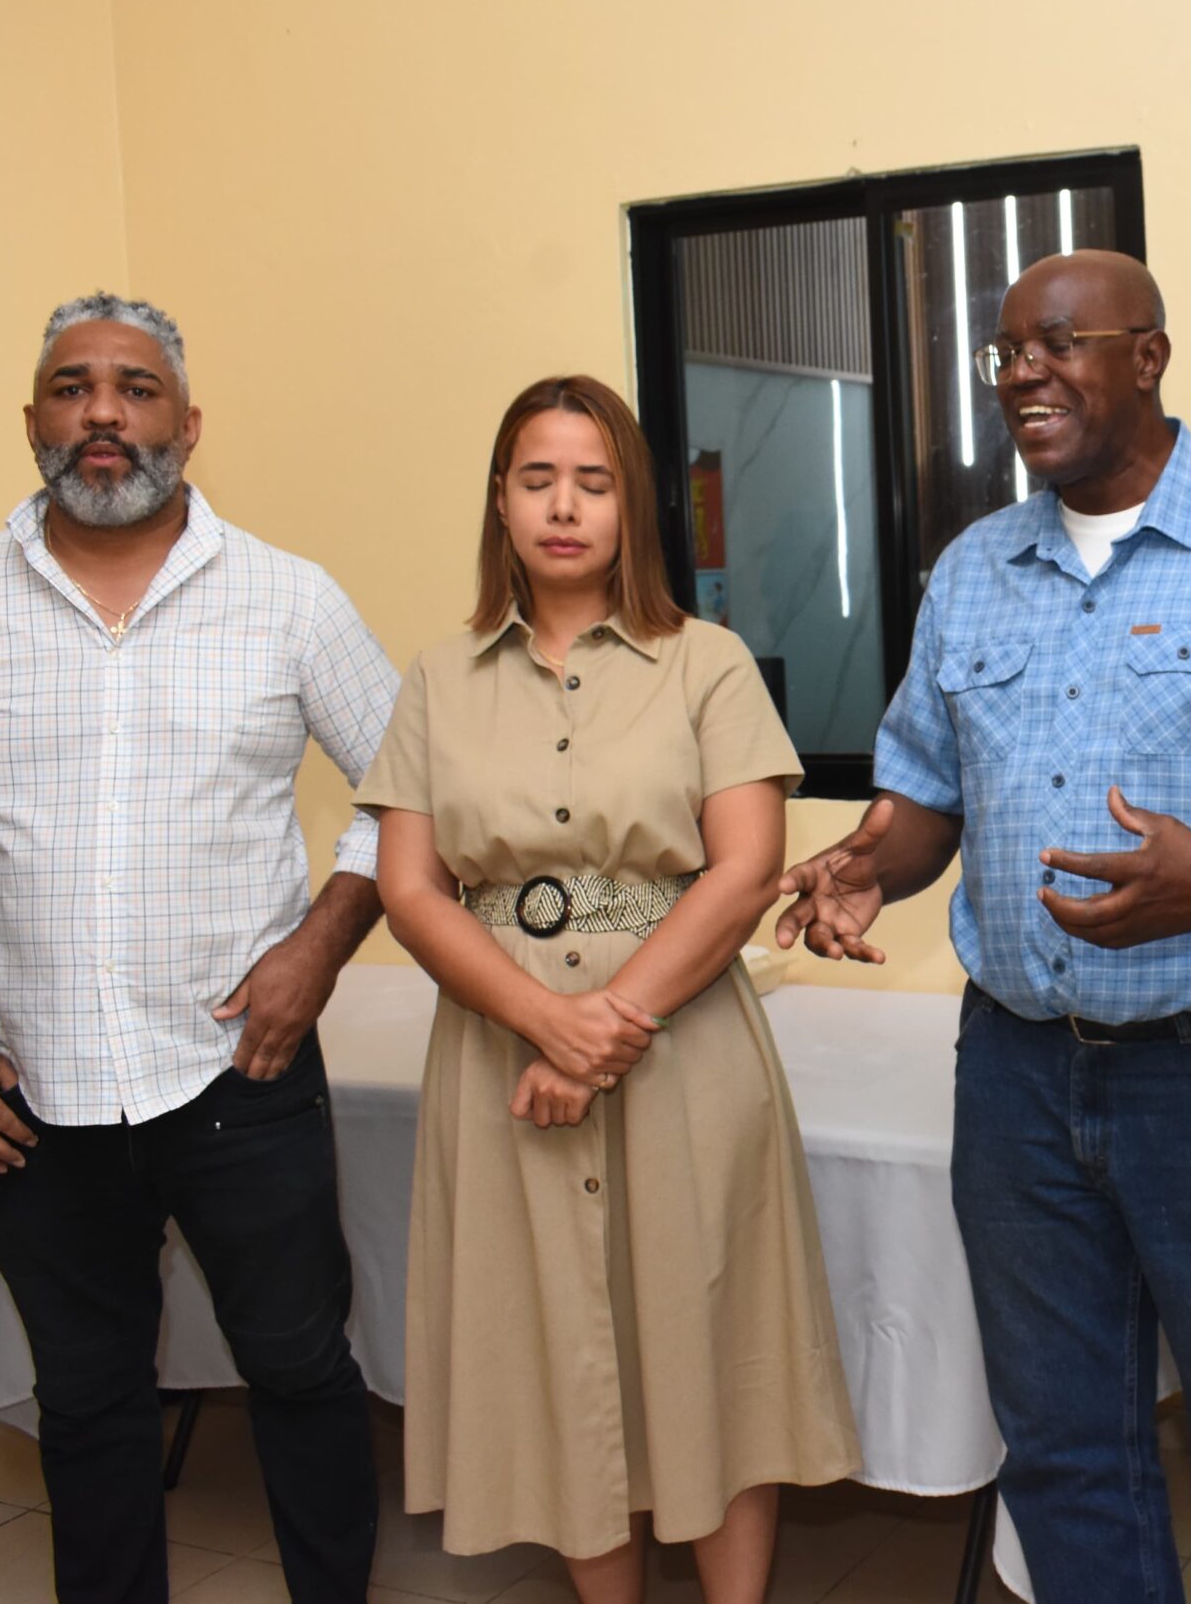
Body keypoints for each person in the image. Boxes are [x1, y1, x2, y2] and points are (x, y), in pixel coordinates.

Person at [774, 250, 1191, 1602]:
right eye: (1008, 351)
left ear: (1148, 356)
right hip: (1017, 1073)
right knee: (1065, 1448)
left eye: (1059, 342)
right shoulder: (973, 568)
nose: (1024, 371)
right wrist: (866, 864)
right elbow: (925, 797)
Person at [0, 293, 395, 1603]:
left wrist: (318, 946)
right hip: (30, 1092)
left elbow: (407, 791)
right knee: (89, 1399)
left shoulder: (289, 598)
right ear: (32, 418)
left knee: (301, 1367)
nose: (104, 412)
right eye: (73, 386)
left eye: (136, 389)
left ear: (188, 425)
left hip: (240, 1072)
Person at [358, 375, 857, 1604]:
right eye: (538, 479)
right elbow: (410, 888)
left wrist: (603, 1029)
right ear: (500, 500)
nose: (564, 506)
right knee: (553, 1351)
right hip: (501, 1046)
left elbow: (743, 869)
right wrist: (545, 1021)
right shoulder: (438, 676)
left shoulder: (707, 663)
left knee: (712, 1343)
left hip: (686, 1048)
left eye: (593, 481)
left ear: (633, 503)